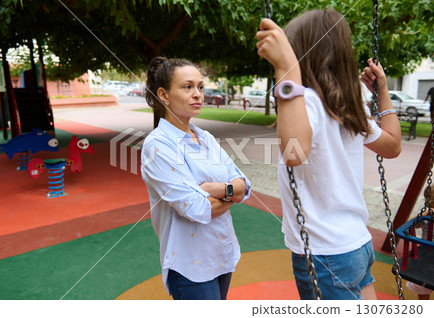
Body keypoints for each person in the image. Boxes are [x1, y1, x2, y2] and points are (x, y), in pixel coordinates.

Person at [256, 9, 402, 300]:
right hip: (357, 244)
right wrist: (382, 91)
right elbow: (393, 145)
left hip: (327, 254)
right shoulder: (347, 107)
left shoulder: (306, 100)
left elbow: (294, 153)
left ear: (300, 54)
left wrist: (286, 69)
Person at [140, 56, 251, 300]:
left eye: (200, 87)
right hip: (190, 264)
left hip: (221, 253)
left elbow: (244, 185)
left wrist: (220, 189)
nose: (198, 94)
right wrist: (231, 193)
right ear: (164, 95)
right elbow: (196, 207)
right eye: (187, 87)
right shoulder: (158, 146)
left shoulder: (205, 137)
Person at [405, 186, 433, 300]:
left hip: (426, 254)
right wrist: (427, 212)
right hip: (426, 254)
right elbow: (411, 224)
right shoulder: (426, 217)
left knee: (423, 283)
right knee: (422, 283)